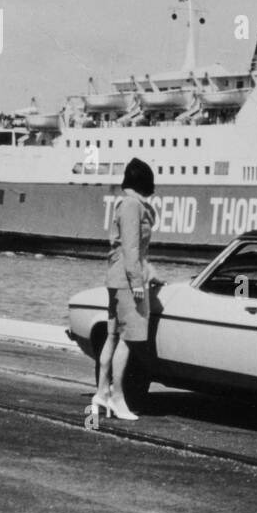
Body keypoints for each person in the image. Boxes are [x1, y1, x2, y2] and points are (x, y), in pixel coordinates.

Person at [91, 158, 158, 420]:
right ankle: (117, 397)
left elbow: (130, 250)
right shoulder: (132, 205)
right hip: (128, 282)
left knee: (112, 336)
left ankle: (101, 392)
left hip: (117, 279)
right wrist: (138, 282)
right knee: (128, 340)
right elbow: (131, 248)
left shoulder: (126, 203)